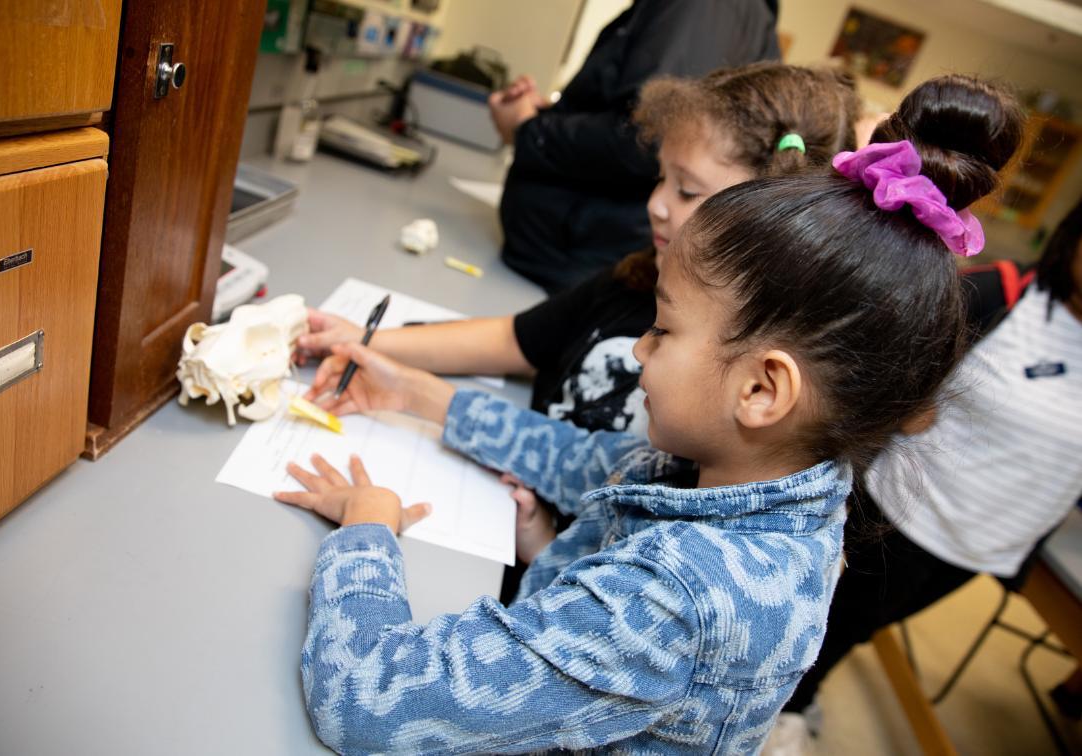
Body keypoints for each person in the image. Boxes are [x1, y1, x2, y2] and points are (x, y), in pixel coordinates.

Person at [271, 74, 1022, 753]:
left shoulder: (681, 600)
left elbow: (368, 701)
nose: (638, 349)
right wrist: (415, 394)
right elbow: (583, 460)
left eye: (663, 330)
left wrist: (367, 529)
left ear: (763, 390)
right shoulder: (757, 474)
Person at [298, 63, 861, 442]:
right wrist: (365, 340)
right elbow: (515, 339)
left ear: (766, 212)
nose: (656, 204)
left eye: (687, 191)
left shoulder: (729, 373)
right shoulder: (637, 277)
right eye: (661, 178)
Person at [771, 193, 1082, 753]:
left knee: (858, 626)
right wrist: (908, 401)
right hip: (908, 508)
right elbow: (887, 355)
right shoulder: (1005, 294)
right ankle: (779, 709)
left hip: (989, 541)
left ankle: (790, 699)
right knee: (831, 619)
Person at [490, 0, 781, 292]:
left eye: (685, 189)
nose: (657, 204)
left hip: (580, 257)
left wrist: (529, 129)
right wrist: (549, 116)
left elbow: (648, 136)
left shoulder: (705, 7)